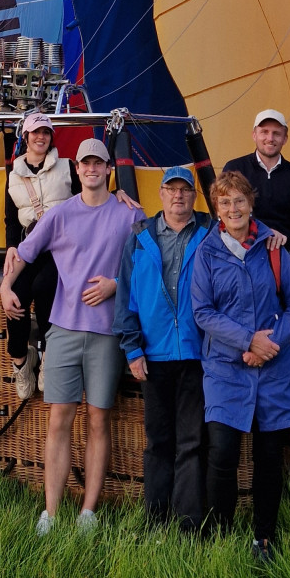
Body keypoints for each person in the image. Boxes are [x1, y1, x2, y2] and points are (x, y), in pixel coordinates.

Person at [3, 138, 136, 536]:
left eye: (99, 163)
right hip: (63, 328)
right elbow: (25, 252)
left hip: (106, 332)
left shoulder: (129, 214)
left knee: (99, 419)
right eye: (85, 163)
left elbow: (147, 266)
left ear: (109, 169)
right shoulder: (60, 215)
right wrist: (6, 286)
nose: (92, 169)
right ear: (76, 170)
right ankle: (51, 512)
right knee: (59, 418)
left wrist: (115, 285)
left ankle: (88, 512)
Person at [191, 170, 290, 561]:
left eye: (239, 200)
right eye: (225, 202)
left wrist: (267, 344)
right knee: (222, 453)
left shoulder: (273, 248)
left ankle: (264, 539)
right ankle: (222, 535)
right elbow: (203, 311)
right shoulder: (207, 252)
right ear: (217, 209)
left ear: (251, 203)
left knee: (269, 456)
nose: (233, 208)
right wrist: (247, 340)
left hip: (273, 369)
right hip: (226, 369)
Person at [2, 113, 139, 399]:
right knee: (16, 293)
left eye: (46, 132)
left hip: (60, 246)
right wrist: (11, 249)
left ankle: (48, 354)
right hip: (30, 241)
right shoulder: (13, 175)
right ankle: (20, 360)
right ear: (25, 137)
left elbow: (90, 195)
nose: (41, 137)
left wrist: (117, 192)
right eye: (35, 132)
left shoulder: (66, 167)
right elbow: (11, 219)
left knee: (46, 287)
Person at [223, 109, 290, 476]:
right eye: (264, 132)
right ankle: (255, 428)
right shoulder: (236, 168)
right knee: (254, 342)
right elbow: (230, 213)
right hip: (246, 264)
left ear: (285, 138)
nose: (270, 138)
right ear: (254, 134)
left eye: (277, 133)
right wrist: (265, 235)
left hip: (287, 267)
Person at [115, 166, 211, 533]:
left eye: (185, 189)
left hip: (196, 354)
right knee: (158, 441)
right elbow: (126, 297)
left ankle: (188, 524)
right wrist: (132, 348)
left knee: (191, 441)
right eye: (171, 189)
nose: (178, 196)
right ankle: (155, 520)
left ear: (194, 195)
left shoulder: (209, 234)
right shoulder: (140, 238)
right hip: (153, 355)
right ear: (161, 194)